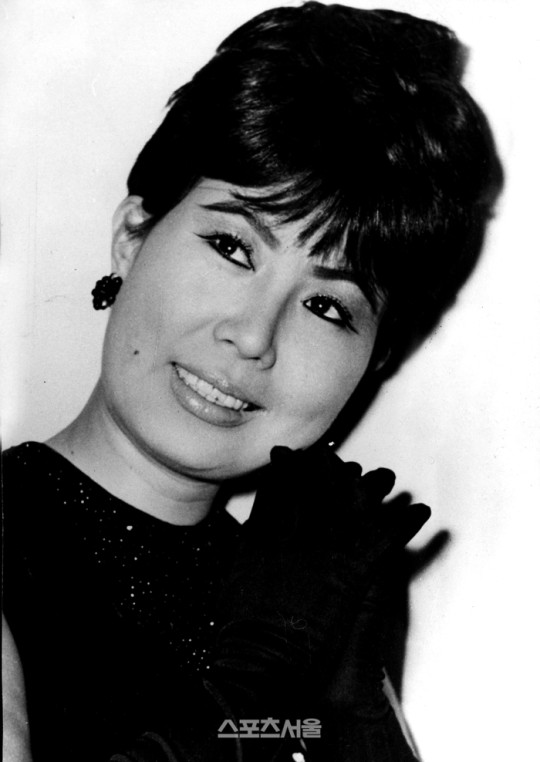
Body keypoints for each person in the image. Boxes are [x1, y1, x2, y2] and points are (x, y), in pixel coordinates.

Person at [2, 3, 502, 761]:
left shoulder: (307, 595)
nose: (254, 335)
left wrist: (355, 715)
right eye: (233, 247)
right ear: (133, 236)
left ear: (374, 362)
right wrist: (263, 672)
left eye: (327, 307)